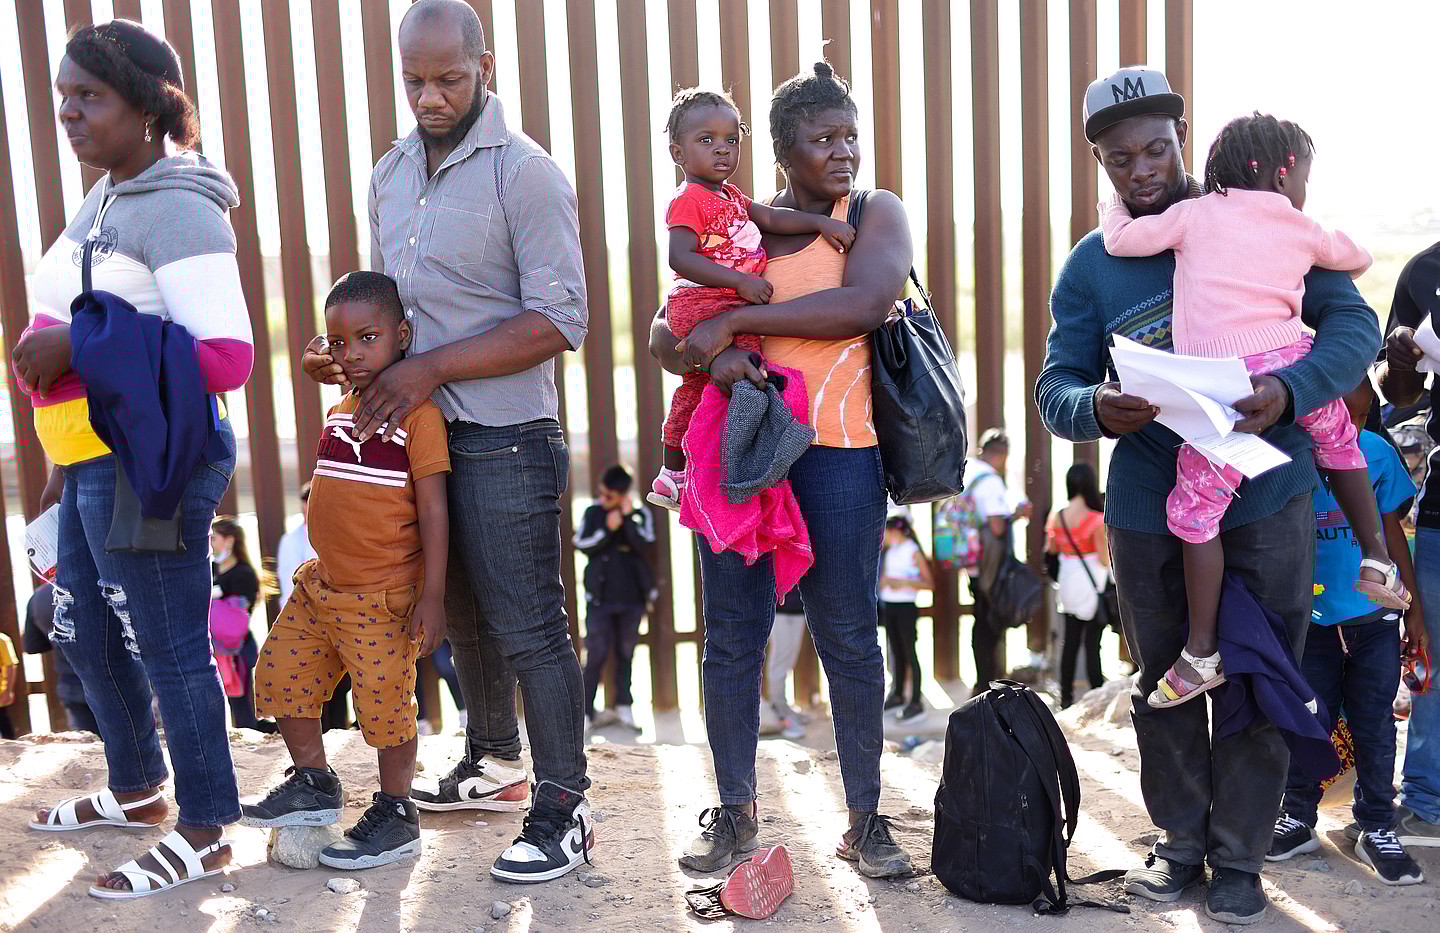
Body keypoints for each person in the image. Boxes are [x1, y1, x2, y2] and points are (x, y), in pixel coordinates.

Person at [1036, 66, 1379, 924]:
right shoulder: (1095, 263)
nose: (1143, 170)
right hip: (1153, 500)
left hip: (1269, 491)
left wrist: (1295, 390)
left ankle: (1239, 859)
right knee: (1167, 678)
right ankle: (1181, 845)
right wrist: (1096, 408)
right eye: (1122, 161)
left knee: (1263, 675)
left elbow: (1355, 326)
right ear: (1101, 165)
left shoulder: (1259, 216)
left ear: (1183, 140)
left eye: (1157, 149)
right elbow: (1058, 383)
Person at [300, 0, 592, 882]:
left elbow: (561, 317)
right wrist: (351, 357)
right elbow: (395, 313)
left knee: (529, 622)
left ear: (485, 66)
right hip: (415, 438)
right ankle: (495, 760)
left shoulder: (527, 174)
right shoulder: (390, 172)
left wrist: (427, 370)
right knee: (459, 610)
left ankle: (565, 809)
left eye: (449, 80)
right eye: (414, 81)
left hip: (504, 435)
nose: (430, 98)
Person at [650, 61, 916, 880]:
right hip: (744, 453)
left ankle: (867, 820)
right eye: (822, 139)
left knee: (845, 632)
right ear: (780, 150)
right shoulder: (734, 223)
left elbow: (864, 305)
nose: (843, 152)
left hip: (840, 455)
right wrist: (717, 355)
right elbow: (669, 334)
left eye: (850, 136)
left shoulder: (869, 214)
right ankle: (735, 811)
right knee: (732, 635)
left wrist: (740, 317)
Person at [14, 20, 253, 897]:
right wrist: (59, 456)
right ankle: (136, 786)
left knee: (168, 642)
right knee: (83, 627)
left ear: (149, 111)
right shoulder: (108, 192)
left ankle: (205, 828)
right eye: (64, 97)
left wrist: (76, 348)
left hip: (150, 463)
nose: (69, 114)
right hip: (87, 459)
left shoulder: (180, 206)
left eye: (91, 97)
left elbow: (226, 355)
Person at [1099, 112, 1404, 709]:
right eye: (1304, 179)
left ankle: (1203, 649)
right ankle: (1378, 560)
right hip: (1290, 366)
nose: (1303, 192)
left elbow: (1121, 239)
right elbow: (1356, 257)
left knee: (1194, 516)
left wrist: (1113, 204)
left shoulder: (1192, 215)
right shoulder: (1301, 225)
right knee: (1341, 446)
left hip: (1220, 389)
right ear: (1281, 173)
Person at [241, 271, 450, 870]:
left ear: (402, 336)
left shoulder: (421, 418)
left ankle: (395, 812)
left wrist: (432, 594)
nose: (351, 353)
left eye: (367, 338)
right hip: (320, 587)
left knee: (385, 707)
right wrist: (324, 358)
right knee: (281, 672)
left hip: (382, 599)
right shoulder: (341, 407)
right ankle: (313, 781)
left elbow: (433, 509)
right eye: (338, 342)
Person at [647, 88, 854, 510]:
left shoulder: (733, 197)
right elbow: (680, 257)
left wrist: (820, 222)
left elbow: (774, 217)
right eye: (706, 140)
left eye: (731, 140)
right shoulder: (688, 200)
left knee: (722, 380)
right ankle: (685, 467)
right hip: (706, 298)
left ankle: (704, 466)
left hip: (727, 301)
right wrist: (739, 284)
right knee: (727, 377)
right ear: (677, 153)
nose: (722, 149)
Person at [1269, 377, 1427, 885]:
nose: (1350, 427)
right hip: (1311, 622)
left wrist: (1414, 610)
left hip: (1374, 620)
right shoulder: (1291, 454)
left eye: (1361, 418)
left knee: (1375, 724)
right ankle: (1298, 817)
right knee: (1307, 719)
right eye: (1341, 415)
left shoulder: (1376, 453)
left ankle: (1377, 825)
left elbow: (1393, 537)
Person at [1377, 241, 1440, 849]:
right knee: (1433, 658)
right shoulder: (1425, 272)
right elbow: (1399, 395)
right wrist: (1400, 357)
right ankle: (1428, 803)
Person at [574, 465, 656, 731]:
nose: (603, 498)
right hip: (600, 598)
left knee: (626, 652)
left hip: (632, 598)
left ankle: (624, 706)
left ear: (623, 495)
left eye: (609, 495)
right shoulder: (593, 513)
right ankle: (586, 713)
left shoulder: (639, 514)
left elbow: (645, 545)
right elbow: (581, 544)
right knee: (595, 653)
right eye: (601, 492)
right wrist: (608, 529)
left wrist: (628, 520)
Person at [963, 429, 1033, 693]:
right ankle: (984, 683)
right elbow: (996, 528)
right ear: (1003, 455)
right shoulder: (990, 481)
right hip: (988, 563)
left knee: (980, 618)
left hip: (973, 560)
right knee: (987, 622)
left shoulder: (970, 473)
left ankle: (982, 680)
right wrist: (1016, 514)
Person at [276, 482, 350, 731]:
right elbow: (288, 584)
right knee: (311, 684)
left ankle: (340, 730)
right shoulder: (292, 540)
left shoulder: (342, 534)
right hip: (310, 621)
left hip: (342, 620)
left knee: (342, 684)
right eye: (306, 508)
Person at [1046, 463, 1110, 709]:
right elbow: (1104, 559)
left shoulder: (1058, 516)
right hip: (1090, 586)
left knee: (1069, 643)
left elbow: (1051, 551)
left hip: (1068, 585)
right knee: (1093, 643)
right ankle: (1097, 696)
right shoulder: (1096, 520)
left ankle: (1066, 698)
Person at [210, 518, 276, 733]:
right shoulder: (211, 568)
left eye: (214, 538)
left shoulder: (244, 573)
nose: (210, 542)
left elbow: (240, 613)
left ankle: (256, 738)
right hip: (215, 646)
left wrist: (216, 599)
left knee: (242, 706)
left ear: (229, 541)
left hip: (237, 647)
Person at [22, 583, 99, 733]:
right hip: (118, 679)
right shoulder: (101, 582)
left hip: (73, 684)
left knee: (91, 741)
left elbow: (33, 646)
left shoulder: (40, 597)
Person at [880, 513, 934, 724]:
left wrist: (902, 583)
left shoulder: (913, 551)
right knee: (896, 651)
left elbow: (929, 583)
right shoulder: (891, 551)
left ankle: (916, 701)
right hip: (890, 606)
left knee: (910, 652)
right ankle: (898, 693)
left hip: (905, 607)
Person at [760, 590, 810, 738]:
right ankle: (780, 712)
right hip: (780, 607)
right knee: (780, 661)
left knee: (789, 659)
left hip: (799, 605)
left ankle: (784, 709)